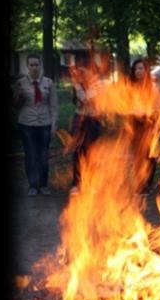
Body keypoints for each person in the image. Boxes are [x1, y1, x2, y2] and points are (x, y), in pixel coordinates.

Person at [12, 54, 59, 196]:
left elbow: (54, 105)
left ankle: (44, 185)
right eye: (31, 65)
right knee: (30, 155)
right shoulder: (20, 83)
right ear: (27, 66)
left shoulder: (48, 83)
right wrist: (17, 95)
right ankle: (32, 185)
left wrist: (54, 124)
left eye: (36, 64)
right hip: (27, 124)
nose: (34, 67)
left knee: (43, 156)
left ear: (40, 66)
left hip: (44, 123)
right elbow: (15, 105)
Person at [69, 65, 103, 195]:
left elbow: (95, 101)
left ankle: (91, 183)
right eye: (81, 73)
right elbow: (83, 100)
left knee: (92, 153)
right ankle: (77, 183)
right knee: (78, 153)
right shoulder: (77, 86)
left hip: (94, 121)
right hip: (80, 122)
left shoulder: (98, 85)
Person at [129, 58, 159, 195]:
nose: (138, 71)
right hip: (134, 122)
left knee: (149, 154)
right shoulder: (130, 86)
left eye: (141, 68)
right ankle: (139, 183)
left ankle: (148, 183)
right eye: (136, 69)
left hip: (149, 122)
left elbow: (157, 107)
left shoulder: (152, 87)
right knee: (137, 155)